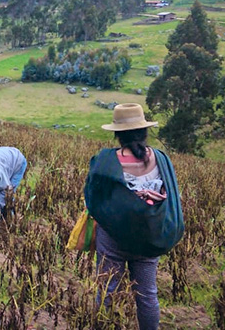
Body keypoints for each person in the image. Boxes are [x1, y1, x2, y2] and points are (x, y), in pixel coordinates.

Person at [84, 103, 184, 330]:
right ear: (144, 131)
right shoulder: (160, 159)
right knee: (147, 294)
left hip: (113, 239)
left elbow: (94, 199)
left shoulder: (106, 161)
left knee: (107, 290)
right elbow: (169, 196)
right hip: (149, 237)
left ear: (118, 134)